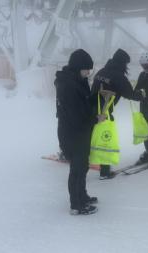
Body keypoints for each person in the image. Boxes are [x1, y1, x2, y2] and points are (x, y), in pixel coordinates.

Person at [54, 49, 98, 215]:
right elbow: (76, 114)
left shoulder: (78, 80)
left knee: (83, 165)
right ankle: (76, 204)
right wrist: (95, 119)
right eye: (87, 69)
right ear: (78, 66)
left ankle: (82, 196)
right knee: (77, 168)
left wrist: (97, 98)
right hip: (72, 133)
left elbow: (85, 103)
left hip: (80, 131)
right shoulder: (68, 86)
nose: (88, 72)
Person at [91, 48, 144, 179]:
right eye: (126, 64)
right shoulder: (119, 76)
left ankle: (82, 162)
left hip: (89, 107)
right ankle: (104, 171)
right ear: (123, 63)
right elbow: (129, 94)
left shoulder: (102, 71)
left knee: (92, 136)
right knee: (105, 139)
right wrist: (142, 95)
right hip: (104, 111)